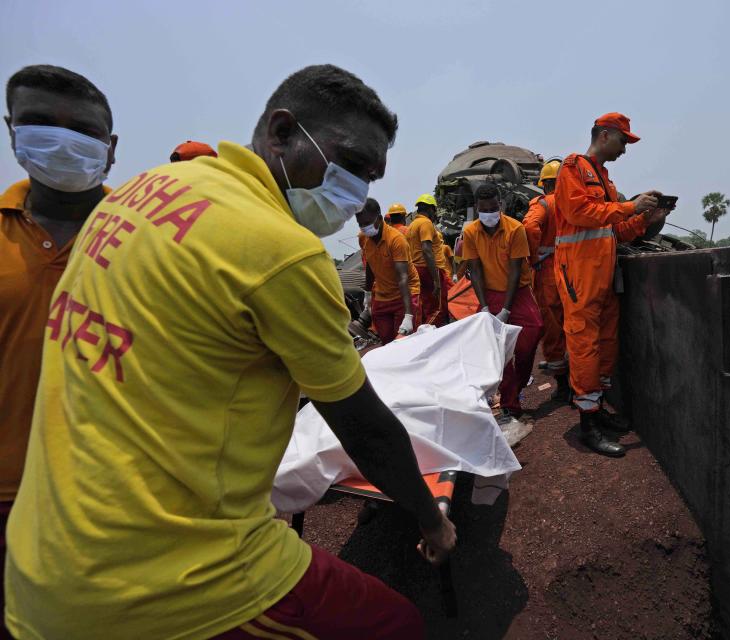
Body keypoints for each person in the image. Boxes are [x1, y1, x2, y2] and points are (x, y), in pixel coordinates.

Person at [4, 64, 455, 640]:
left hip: (39, 556)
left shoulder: (135, 196)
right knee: (396, 625)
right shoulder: (283, 251)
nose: (355, 191)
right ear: (282, 131)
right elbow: (366, 432)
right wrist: (431, 522)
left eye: (369, 177)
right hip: (168, 577)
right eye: (348, 163)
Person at [0, 64, 118, 625]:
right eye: (41, 123)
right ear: (12, 131)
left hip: (112, 498)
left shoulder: (151, 239)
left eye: (86, 133)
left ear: (111, 148)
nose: (64, 142)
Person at [553, 112, 670, 457]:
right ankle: (588, 425)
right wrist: (628, 206)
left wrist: (643, 217)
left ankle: (597, 410)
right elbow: (578, 213)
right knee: (585, 346)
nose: (624, 149)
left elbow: (614, 231)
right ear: (604, 136)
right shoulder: (573, 168)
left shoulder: (606, 181)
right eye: (623, 141)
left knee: (604, 343)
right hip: (580, 274)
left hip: (601, 274)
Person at [462, 183, 544, 419]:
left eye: (493, 207)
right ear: (477, 208)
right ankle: (510, 406)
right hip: (489, 294)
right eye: (484, 209)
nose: (489, 213)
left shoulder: (515, 229)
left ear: (501, 205)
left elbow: (515, 271)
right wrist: (486, 307)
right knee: (499, 351)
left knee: (533, 333)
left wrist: (507, 309)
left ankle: (517, 386)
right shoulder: (470, 233)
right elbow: (474, 270)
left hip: (516, 292)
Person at [523, 159, 570, 401]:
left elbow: (530, 227)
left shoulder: (544, 204)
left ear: (544, 185)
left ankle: (563, 385)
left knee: (553, 324)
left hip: (550, 272)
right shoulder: (575, 203)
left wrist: (533, 257)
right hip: (575, 268)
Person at [357, 197, 420, 344]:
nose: (364, 228)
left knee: (404, 343)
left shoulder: (396, 240)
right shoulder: (364, 238)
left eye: (367, 223)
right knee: (386, 342)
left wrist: (408, 315)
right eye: (361, 225)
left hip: (404, 294)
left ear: (379, 219)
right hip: (382, 295)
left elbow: (402, 277)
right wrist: (367, 293)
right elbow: (370, 266)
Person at [405, 193, 448, 324]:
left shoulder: (412, 225)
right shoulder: (426, 223)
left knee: (426, 307)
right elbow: (427, 250)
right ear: (430, 209)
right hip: (429, 269)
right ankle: (431, 336)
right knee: (438, 309)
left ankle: (423, 332)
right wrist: (436, 280)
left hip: (417, 269)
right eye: (434, 210)